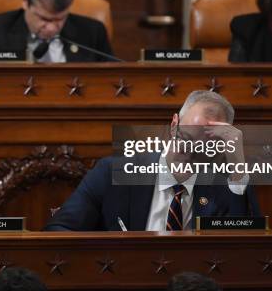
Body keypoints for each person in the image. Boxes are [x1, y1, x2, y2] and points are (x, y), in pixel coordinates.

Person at [44, 91, 259, 231]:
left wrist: (238, 169)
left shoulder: (224, 186)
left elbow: (246, 250)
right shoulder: (113, 172)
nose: (190, 155)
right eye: (185, 139)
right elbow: (59, 230)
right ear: (174, 125)